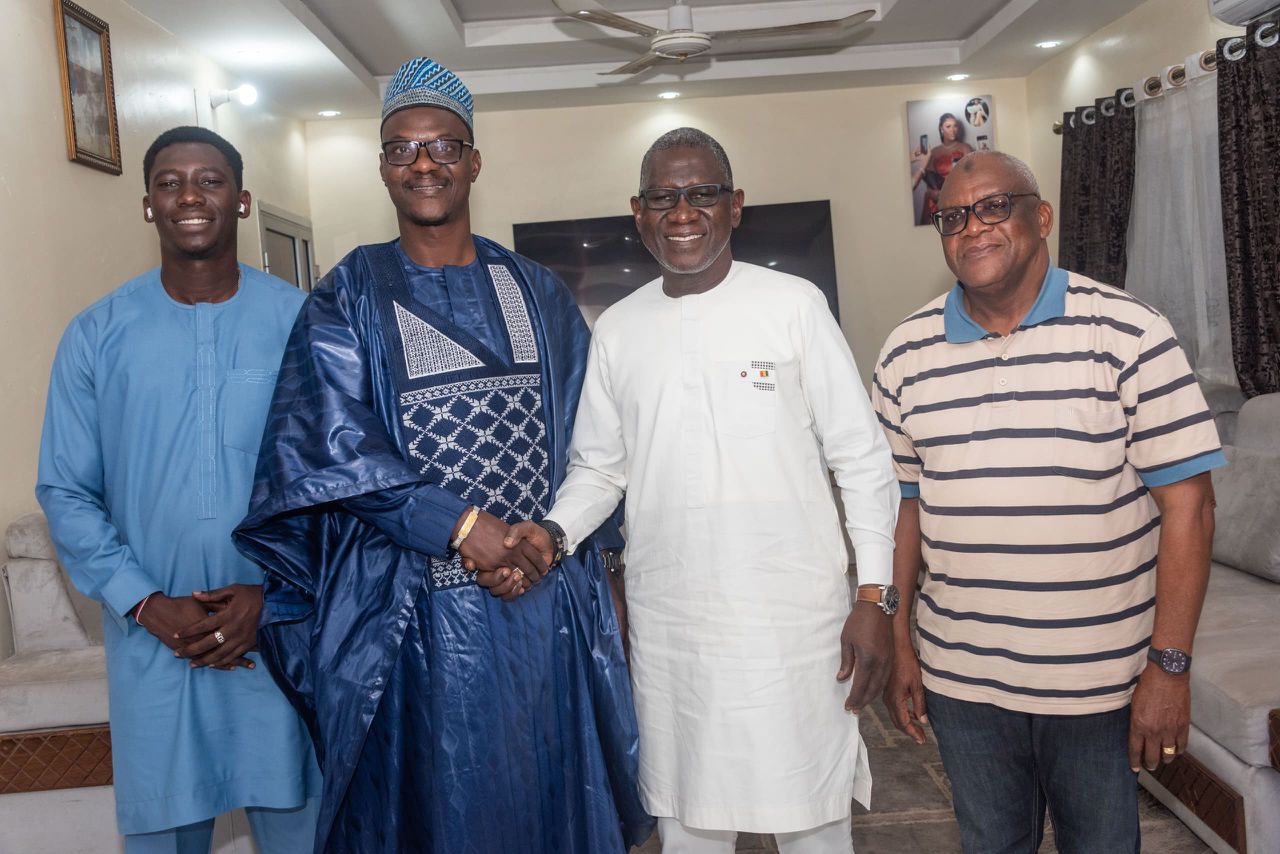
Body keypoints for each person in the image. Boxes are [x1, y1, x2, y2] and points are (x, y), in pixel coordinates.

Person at [231, 58, 651, 854]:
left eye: (443, 146)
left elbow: (593, 446)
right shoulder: (348, 293)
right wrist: (460, 526)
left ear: (474, 161)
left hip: (545, 611)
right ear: (383, 166)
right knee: (433, 817)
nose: (423, 163)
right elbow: (332, 443)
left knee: (551, 804)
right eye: (403, 148)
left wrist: (544, 548)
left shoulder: (537, 291)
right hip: (409, 625)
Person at [506, 127, 901, 853]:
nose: (683, 212)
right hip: (674, 630)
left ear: (735, 205)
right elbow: (600, 468)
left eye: (702, 194)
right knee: (689, 822)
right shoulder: (619, 329)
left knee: (811, 820)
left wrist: (875, 596)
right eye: (663, 197)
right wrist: (555, 532)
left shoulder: (794, 305)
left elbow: (863, 459)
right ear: (639, 212)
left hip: (792, 627)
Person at [873, 150, 1224, 853]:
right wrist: (899, 639)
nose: (972, 228)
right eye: (953, 217)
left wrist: (1170, 666)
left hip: (1097, 680)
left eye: (993, 207)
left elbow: (1191, 506)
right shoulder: (905, 353)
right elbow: (904, 507)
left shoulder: (1129, 332)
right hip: (963, 680)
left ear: (1041, 217)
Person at [36, 126, 320, 854]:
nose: (189, 196)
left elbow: (337, 484)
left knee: (304, 827)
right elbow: (66, 490)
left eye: (209, 180)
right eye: (169, 183)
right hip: (155, 643)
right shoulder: (97, 334)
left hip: (278, 635)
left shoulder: (303, 324)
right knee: (164, 834)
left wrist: (276, 596)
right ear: (147, 205)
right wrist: (143, 601)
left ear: (243, 200)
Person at [911, 113, 974, 225]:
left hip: (960, 194)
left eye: (955, 126)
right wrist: (933, 193)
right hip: (939, 199)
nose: (953, 130)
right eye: (948, 126)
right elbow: (930, 183)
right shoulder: (934, 152)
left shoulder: (965, 148)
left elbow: (972, 176)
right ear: (941, 129)